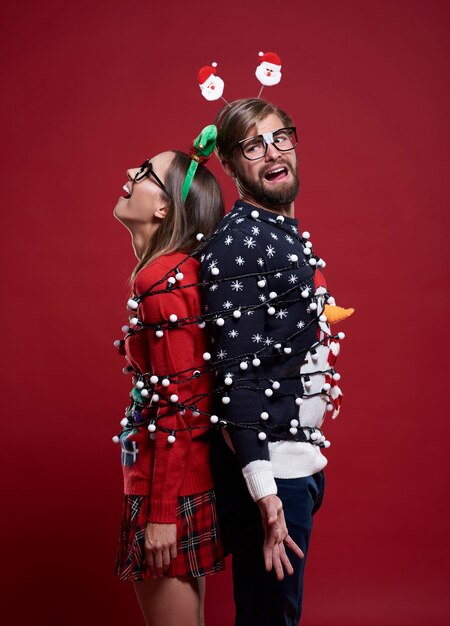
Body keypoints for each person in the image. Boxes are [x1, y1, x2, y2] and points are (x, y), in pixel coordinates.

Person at [199, 98, 347, 626]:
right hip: (270, 473)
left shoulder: (279, 231)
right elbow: (235, 375)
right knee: (269, 619)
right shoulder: (237, 243)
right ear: (232, 165)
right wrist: (265, 493)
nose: (271, 152)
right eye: (252, 145)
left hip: (298, 464)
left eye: (279, 137)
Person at [113, 143, 225, 626]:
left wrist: (161, 514)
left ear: (164, 207)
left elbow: (182, 406)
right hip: (180, 483)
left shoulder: (161, 280)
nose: (128, 174)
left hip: (170, 490)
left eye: (144, 173)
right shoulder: (178, 273)